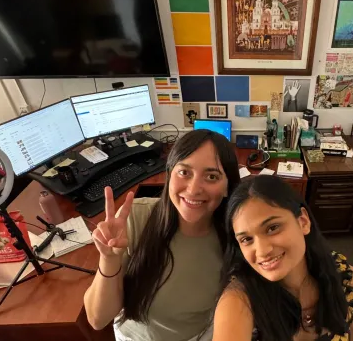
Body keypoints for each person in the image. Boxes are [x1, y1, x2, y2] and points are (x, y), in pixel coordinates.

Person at [84, 129, 240, 341]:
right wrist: (109, 258)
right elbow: (97, 318)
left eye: (211, 176)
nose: (193, 189)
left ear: (227, 188)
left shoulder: (235, 235)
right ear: (169, 174)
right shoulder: (137, 218)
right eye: (184, 172)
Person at [213, 175, 353, 341]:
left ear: (303, 221)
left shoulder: (352, 285)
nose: (262, 251)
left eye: (272, 228)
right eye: (247, 239)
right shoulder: (238, 304)